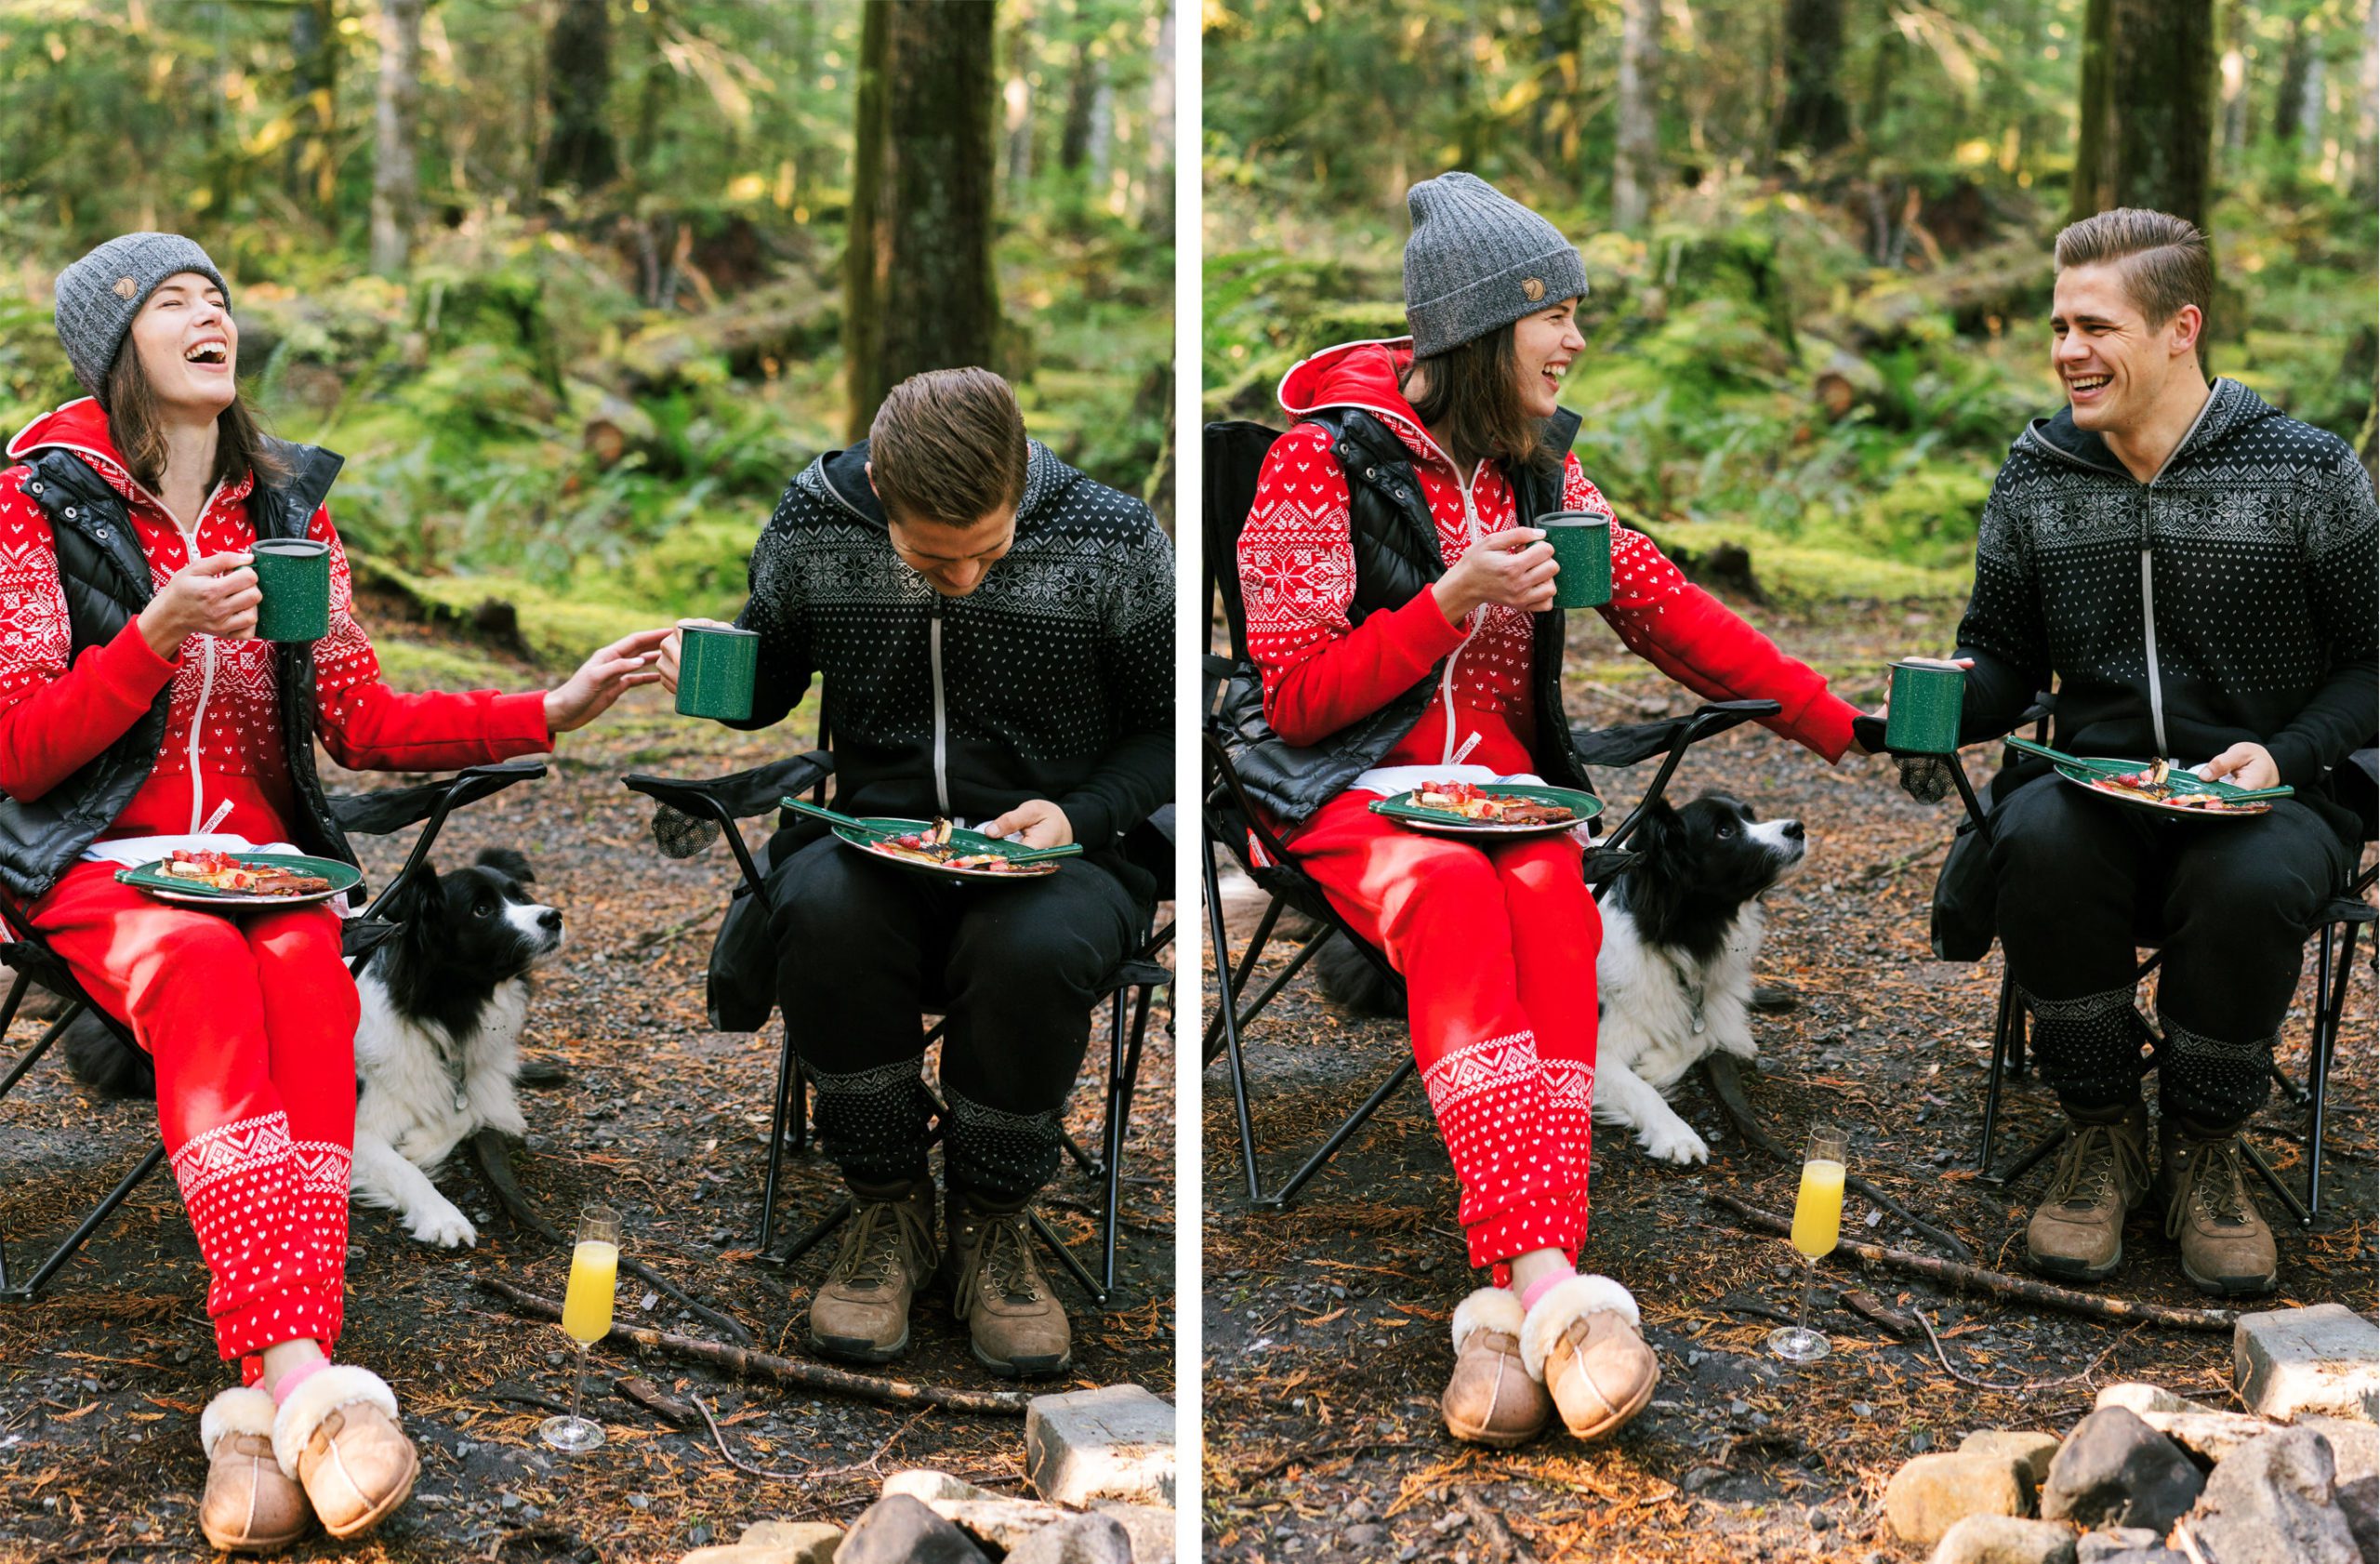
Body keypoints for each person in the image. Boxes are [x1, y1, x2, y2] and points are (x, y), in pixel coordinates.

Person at [0, 233, 668, 1553]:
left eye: (220, 298)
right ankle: (306, 1378)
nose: (210, 315)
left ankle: (264, 1409)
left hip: (258, 869)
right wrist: (154, 633)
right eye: (171, 301)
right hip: (86, 859)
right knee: (194, 974)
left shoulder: (289, 508)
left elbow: (361, 715)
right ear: (112, 344)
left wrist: (554, 703)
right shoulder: (36, 499)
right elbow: (19, 744)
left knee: (309, 983)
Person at [1230, 173, 1865, 1450]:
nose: (1574, 342)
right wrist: (1449, 598)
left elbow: (1664, 604)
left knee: (1556, 915)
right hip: (1337, 787)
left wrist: (1834, 719)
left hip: (1504, 800)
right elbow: (1294, 698)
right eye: (1551, 317)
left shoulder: (1541, 470)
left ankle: (1518, 1305)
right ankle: (1553, 1294)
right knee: (1460, 900)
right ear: (1473, 328)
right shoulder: (1319, 461)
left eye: (1576, 315)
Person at [1895, 208, 2375, 1297]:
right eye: (2059, 323)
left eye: (2094, 325)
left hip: (2269, 792)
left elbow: (2373, 659)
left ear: (2179, 329)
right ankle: (2101, 1126)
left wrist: (2289, 753)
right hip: (2091, 783)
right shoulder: (2036, 476)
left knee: (2249, 877)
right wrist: (1956, 694)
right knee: (2040, 841)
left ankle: (2205, 1142)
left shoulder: (2306, 472)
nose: (2066, 349)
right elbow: (2004, 653)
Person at [659, 366, 1170, 1379]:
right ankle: (887, 1205)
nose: (968, 576)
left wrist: (1081, 812)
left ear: (1019, 479)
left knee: (1034, 943)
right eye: (935, 559)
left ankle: (993, 1216)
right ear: (880, 498)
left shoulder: (1112, 537)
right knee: (821, 911)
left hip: (1066, 845)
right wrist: (706, 671)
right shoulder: (814, 522)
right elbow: (769, 679)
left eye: (990, 549)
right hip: (870, 838)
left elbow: (1168, 726)